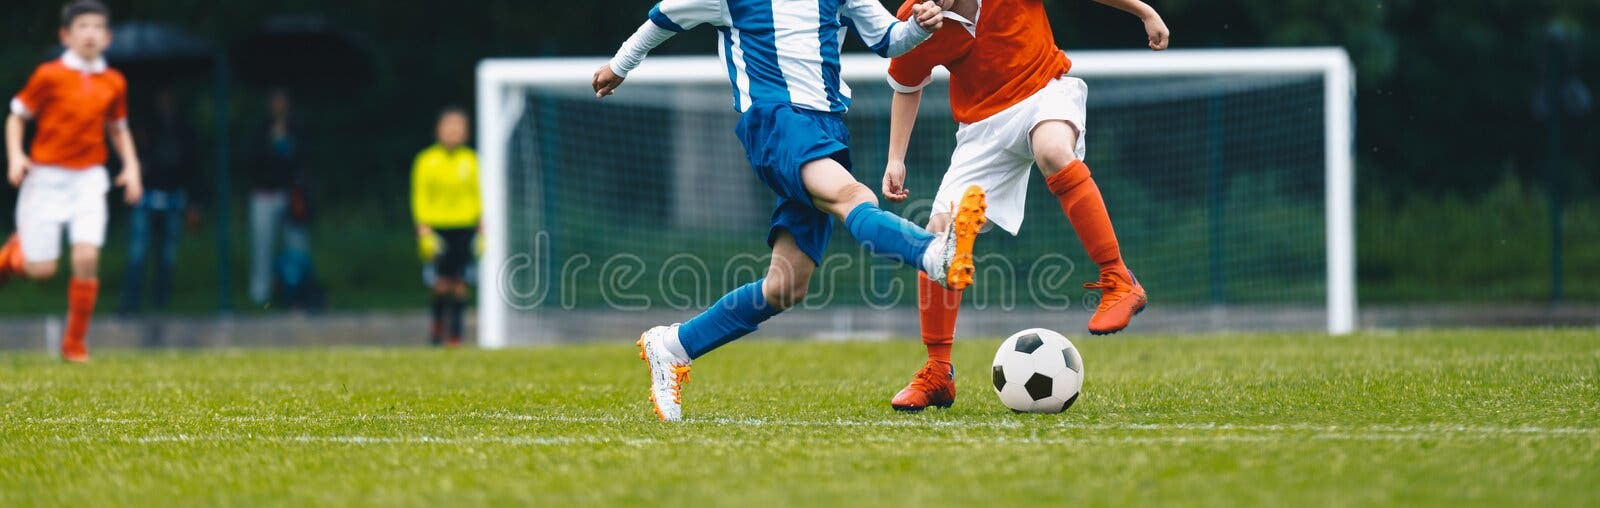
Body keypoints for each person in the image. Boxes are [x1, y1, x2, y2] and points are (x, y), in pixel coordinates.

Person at [596, 0, 988, 421]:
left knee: (784, 286)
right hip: (774, 122)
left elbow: (889, 41)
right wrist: (620, 65)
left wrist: (920, 28)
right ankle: (933, 253)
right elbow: (664, 17)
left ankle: (673, 346)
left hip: (826, 128)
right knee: (854, 198)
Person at [879, 0, 1169, 411]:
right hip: (981, 128)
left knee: (1052, 149)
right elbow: (907, 84)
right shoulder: (917, 19)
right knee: (938, 239)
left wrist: (1143, 11)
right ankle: (937, 371)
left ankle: (1119, 279)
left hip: (1044, 92)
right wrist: (896, 158)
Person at [1, 0, 142, 363]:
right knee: (41, 270)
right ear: (66, 35)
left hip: (89, 180)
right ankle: (14, 254)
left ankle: (74, 344)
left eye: (98, 27)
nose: (90, 33)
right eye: (83, 26)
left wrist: (131, 167)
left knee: (85, 256)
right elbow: (17, 117)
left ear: (108, 37)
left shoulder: (114, 82)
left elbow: (118, 129)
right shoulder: (49, 75)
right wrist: (17, 156)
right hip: (46, 179)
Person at [120, 88, 196, 315]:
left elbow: (192, 167)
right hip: (147, 197)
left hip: (174, 197)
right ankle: (130, 303)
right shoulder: (146, 128)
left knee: (167, 254)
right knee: (138, 251)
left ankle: (160, 302)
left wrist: (194, 201)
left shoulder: (184, 130)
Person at [411, 108, 479, 347]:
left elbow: (480, 196)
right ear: (438, 130)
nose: (453, 131)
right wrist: (423, 229)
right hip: (437, 230)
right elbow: (420, 196)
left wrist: (482, 229)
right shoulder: (426, 161)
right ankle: (437, 329)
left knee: (460, 285)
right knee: (440, 285)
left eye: (458, 127)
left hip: (464, 229)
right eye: (448, 126)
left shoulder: (472, 161)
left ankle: (456, 336)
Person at [248, 88, 312, 307]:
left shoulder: (296, 130)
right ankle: (261, 297)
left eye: (282, 102)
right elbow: (253, 162)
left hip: (290, 195)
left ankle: (297, 293)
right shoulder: (261, 130)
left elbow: (303, 161)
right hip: (264, 195)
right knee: (262, 247)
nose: (279, 106)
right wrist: (271, 143)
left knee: (296, 246)